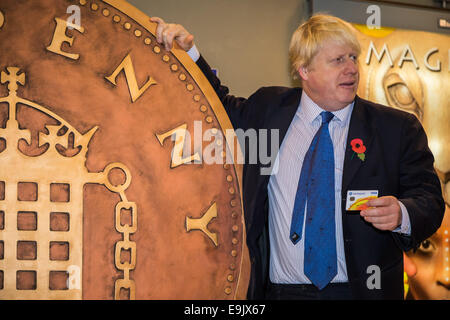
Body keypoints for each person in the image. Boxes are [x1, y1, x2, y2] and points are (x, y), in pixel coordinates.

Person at [150, 14, 444, 300]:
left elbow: (429, 201)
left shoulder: (395, 128)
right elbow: (220, 106)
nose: (351, 69)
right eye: (338, 60)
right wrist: (188, 50)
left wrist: (402, 214)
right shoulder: (269, 110)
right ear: (304, 70)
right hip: (283, 292)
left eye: (353, 57)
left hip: (362, 291)